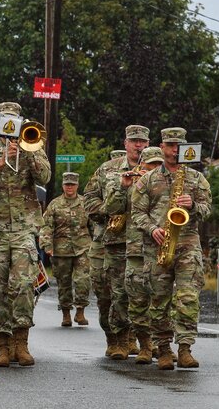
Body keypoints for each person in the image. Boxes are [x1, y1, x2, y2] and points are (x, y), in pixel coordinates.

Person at [0, 102, 51, 368]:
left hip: (23, 228)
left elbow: (45, 177)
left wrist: (27, 152)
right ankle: (2, 345)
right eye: (5, 119)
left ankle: (21, 342)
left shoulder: (33, 144)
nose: (10, 123)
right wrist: (0, 161)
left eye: (14, 119)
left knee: (22, 286)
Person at [132, 128, 212, 370]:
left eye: (179, 145)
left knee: (188, 297)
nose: (175, 150)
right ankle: (164, 349)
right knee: (159, 300)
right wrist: (152, 228)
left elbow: (208, 209)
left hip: (187, 244)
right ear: (162, 146)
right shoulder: (148, 179)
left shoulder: (196, 178)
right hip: (158, 246)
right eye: (170, 145)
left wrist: (194, 206)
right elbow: (136, 213)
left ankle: (185, 348)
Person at [84, 124, 149, 359]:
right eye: (134, 141)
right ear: (125, 143)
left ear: (148, 144)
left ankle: (139, 340)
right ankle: (114, 339)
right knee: (109, 293)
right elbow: (89, 199)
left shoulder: (154, 169)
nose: (138, 145)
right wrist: (107, 212)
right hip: (113, 240)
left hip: (144, 241)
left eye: (142, 141)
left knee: (143, 292)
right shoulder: (108, 170)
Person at [104, 145, 164, 364]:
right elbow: (110, 208)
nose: (154, 169)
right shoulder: (130, 182)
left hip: (159, 247)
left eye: (159, 165)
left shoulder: (167, 183)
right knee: (127, 297)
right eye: (150, 165)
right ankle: (136, 344)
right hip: (135, 248)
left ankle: (159, 344)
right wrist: (122, 187)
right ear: (142, 165)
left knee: (159, 298)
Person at [40, 172, 91, 327]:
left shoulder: (85, 203)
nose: (70, 187)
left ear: (77, 185)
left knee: (83, 280)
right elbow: (46, 226)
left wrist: (98, 245)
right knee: (64, 283)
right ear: (63, 186)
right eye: (67, 184)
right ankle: (66, 313)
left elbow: (94, 225)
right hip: (60, 250)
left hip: (83, 247)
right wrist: (47, 246)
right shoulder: (55, 205)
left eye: (72, 184)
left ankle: (80, 311)